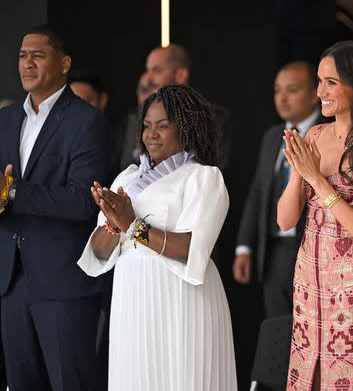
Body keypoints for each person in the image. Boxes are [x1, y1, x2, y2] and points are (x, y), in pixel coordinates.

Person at [78, 84, 237, 391]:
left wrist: (133, 225)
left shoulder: (203, 178)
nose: (151, 135)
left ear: (186, 129)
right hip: (132, 299)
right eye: (147, 126)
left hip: (181, 300)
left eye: (163, 126)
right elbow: (98, 254)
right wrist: (113, 223)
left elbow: (192, 250)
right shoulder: (126, 178)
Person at [0, 24, 111, 390]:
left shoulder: (87, 121)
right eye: (21, 55)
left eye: (37, 54)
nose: (26, 63)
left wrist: (13, 193)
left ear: (64, 63)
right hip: (10, 282)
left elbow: (84, 200)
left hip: (64, 284)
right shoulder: (5, 120)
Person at [279, 41, 353, 389]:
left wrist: (315, 178)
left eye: (331, 83)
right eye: (319, 81)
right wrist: (299, 173)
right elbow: (284, 220)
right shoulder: (315, 135)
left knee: (352, 373)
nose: (320, 92)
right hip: (310, 274)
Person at [233, 61, 326, 318]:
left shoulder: (327, 133)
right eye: (277, 90)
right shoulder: (273, 136)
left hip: (311, 247)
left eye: (292, 90)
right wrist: (244, 246)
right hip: (273, 249)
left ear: (313, 93)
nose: (283, 98)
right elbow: (258, 193)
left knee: (309, 325)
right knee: (276, 327)